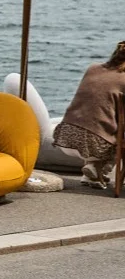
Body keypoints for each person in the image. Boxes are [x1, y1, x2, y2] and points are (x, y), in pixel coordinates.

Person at [53, 41, 125, 188]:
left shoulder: (93, 68)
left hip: (67, 134)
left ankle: (89, 176)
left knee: (97, 125)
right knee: (116, 140)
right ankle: (97, 169)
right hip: (94, 142)